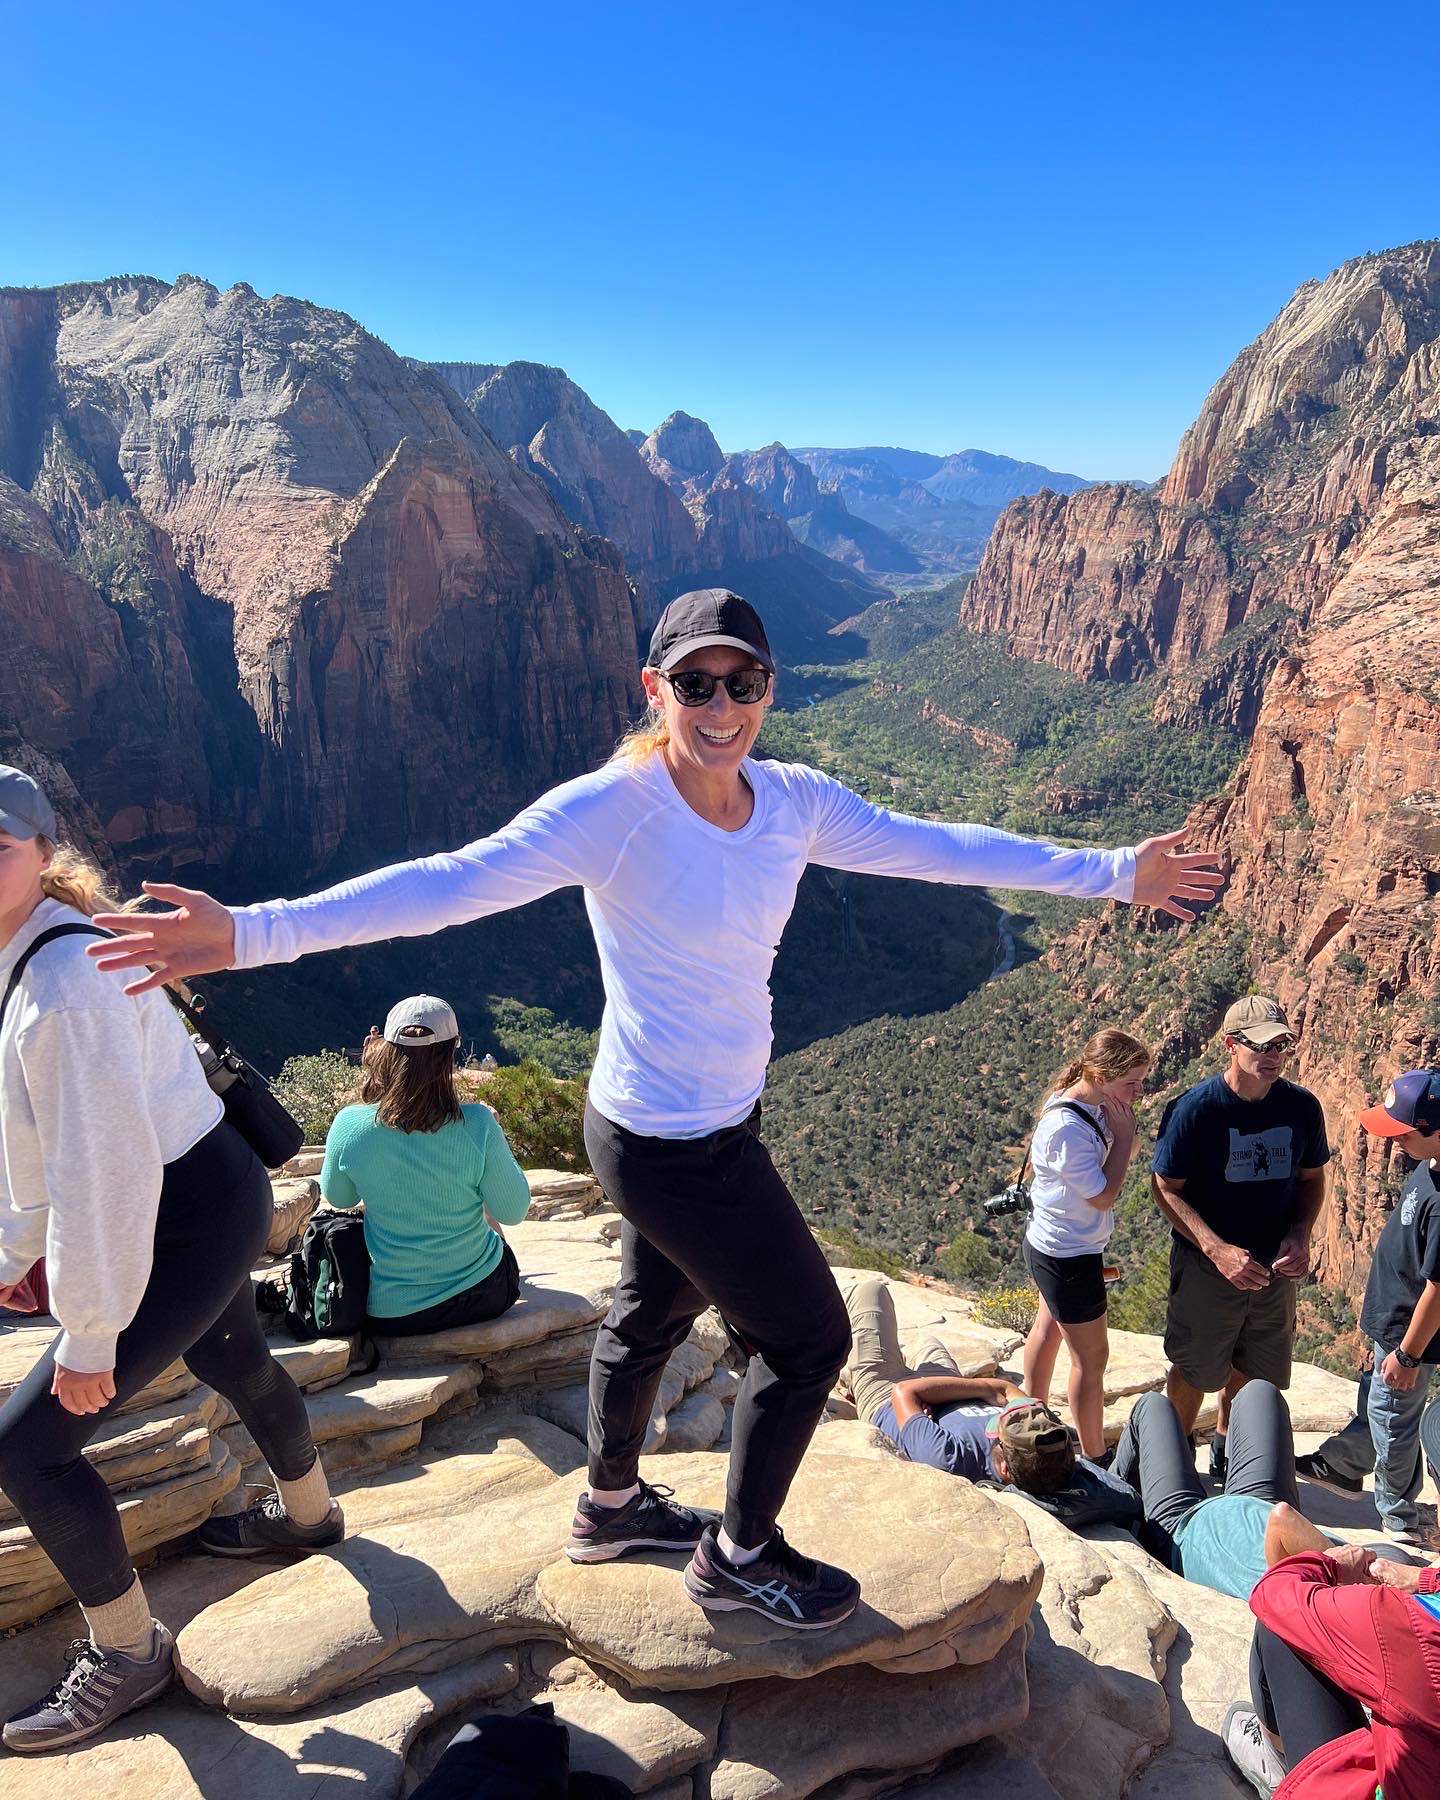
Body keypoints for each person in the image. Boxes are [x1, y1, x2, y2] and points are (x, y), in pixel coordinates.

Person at [86, 588, 1223, 1632]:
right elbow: (443, 884)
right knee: (811, 1335)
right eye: (694, 684)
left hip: (696, 1122)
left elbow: (942, 850)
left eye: (742, 684)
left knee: (649, 1313)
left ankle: (611, 1504)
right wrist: (253, 933)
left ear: (769, 692)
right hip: (665, 1144)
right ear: (655, 691)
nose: (720, 707)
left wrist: (1118, 870)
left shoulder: (794, 803)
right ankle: (741, 1553)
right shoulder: (614, 810)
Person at [0, 767, 340, 1753]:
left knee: (27, 1448)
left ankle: (130, 1651)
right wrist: (15, 1252)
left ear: (41, 851)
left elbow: (99, 1175)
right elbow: (37, 1145)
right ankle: (310, 1518)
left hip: (181, 1216)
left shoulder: (62, 985)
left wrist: (90, 1333)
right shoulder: (42, 939)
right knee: (227, 1356)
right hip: (205, 1188)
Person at [1152, 996, 1330, 1479]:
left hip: (1273, 1269)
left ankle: (1232, 1456)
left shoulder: (1301, 1107)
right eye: (1262, 1045)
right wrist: (1215, 1248)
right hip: (1207, 1271)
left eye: (1283, 1044)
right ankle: (1174, 1461)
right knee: (1194, 1368)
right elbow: (1165, 1189)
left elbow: (1312, 1180)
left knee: (1254, 1369)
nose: (1273, 1055)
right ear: (1231, 1044)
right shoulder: (1196, 1111)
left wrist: (1300, 1233)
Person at [320, 997, 532, 1337]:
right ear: (451, 1053)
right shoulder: (478, 1124)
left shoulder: (349, 1126)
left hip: (391, 1312)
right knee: (480, 1204)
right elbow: (512, 1211)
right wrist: (495, 1135)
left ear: (386, 1050)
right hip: (482, 1295)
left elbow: (340, 1197)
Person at [1296, 1070, 1440, 1545]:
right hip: (1391, 1325)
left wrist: (1409, 1355)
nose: (1394, 1142)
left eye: (1401, 1133)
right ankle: (1340, 1466)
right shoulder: (1431, 1163)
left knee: (1395, 1418)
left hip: (1407, 1336)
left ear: (1433, 1129)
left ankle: (1398, 1516)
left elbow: (1439, 1289)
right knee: (1379, 1407)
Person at [1019, 1028, 1151, 1459]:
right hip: (1068, 1256)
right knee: (1091, 1362)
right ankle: (1095, 1455)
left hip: (1055, 1245)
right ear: (1100, 1073)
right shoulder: (1066, 1127)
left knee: (1048, 1329)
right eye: (1131, 1082)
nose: (1139, 1090)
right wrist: (1126, 1139)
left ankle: (1027, 1417)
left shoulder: (1089, 1106)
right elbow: (1104, 1195)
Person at [1222, 1546, 1440, 1799]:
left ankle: (1278, 1764)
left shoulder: (1408, 1625)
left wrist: (1331, 1564)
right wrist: (1426, 1580)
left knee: (1286, 1630)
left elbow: (1273, 1593)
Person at [842, 1276, 1077, 1494]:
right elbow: (1007, 1389)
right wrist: (984, 1390)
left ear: (1004, 1469)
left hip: (885, 1395)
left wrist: (986, 1389)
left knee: (871, 1291)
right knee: (928, 1343)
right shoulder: (1045, 1435)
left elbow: (904, 1392)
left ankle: (848, 1369)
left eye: (997, 1434)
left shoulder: (948, 1458)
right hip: (942, 1391)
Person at [1111, 1382, 1333, 1600]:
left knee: (1153, 1406)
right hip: (1263, 1510)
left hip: (1180, 1533)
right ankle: (1220, 1453)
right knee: (1259, 1391)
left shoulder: (1322, 1605)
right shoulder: (1361, 1566)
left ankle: (1106, 1496)